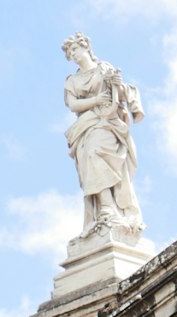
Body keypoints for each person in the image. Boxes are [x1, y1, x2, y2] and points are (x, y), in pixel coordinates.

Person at [61, 33, 145, 240]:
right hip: (86, 126)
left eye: (75, 49)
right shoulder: (72, 81)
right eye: (70, 52)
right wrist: (96, 100)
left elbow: (118, 94)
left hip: (108, 122)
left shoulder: (104, 68)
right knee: (90, 155)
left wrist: (117, 85)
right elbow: (73, 105)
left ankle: (113, 208)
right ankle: (105, 209)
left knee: (98, 153)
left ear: (86, 47)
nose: (73, 54)